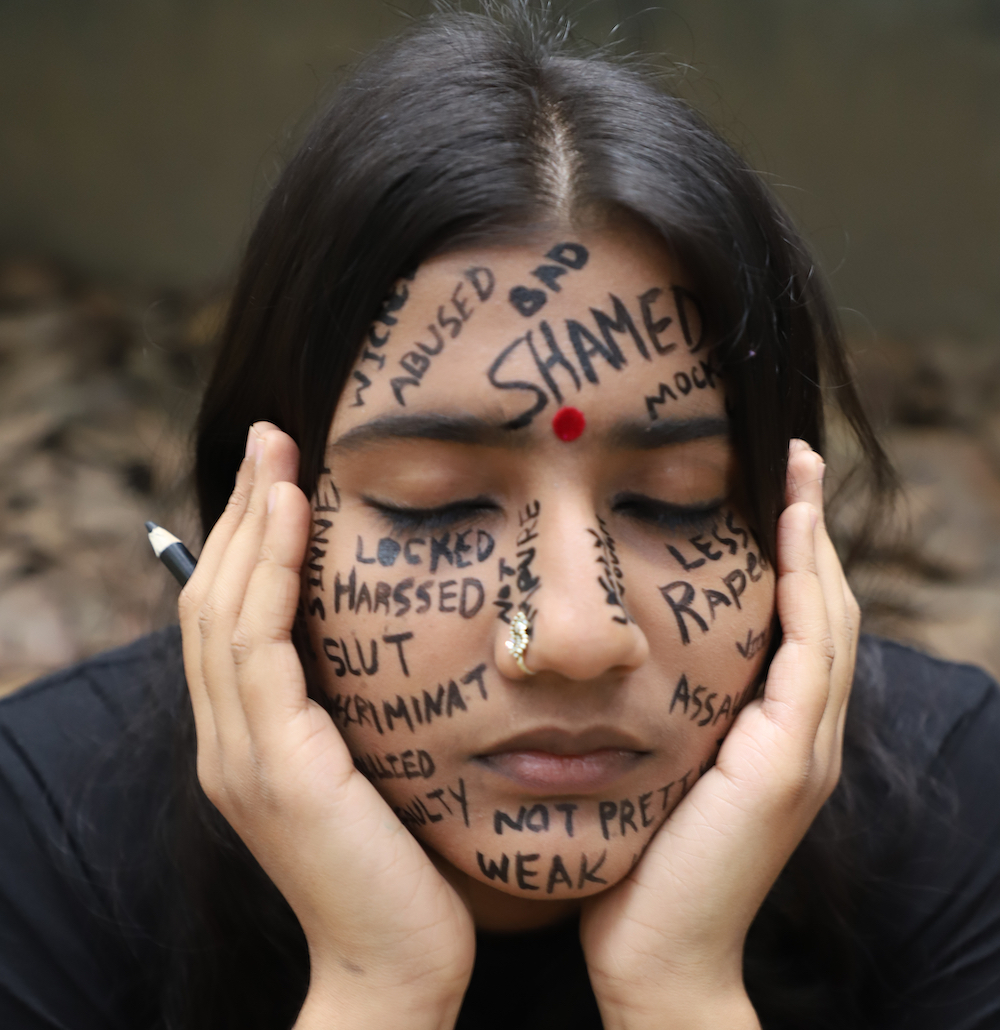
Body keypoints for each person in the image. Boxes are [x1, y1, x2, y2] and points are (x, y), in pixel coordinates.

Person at [2, 5, 1000, 1029]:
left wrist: (678, 988)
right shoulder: (41, 830)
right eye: (435, 507)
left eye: (674, 503)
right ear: (260, 524)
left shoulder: (957, 807)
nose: (571, 636)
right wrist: (377, 985)